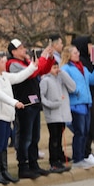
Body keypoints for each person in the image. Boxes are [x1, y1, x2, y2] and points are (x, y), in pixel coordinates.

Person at [0, 51, 39, 183]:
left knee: (3, 145)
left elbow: (19, 76)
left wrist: (32, 66)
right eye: (2, 62)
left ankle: (4, 171)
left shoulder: (4, 76)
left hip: (6, 117)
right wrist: (14, 102)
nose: (5, 63)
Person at [6, 39, 56, 178]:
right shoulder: (13, 64)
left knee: (35, 136)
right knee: (25, 137)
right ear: (13, 51)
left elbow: (42, 70)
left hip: (33, 103)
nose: (24, 50)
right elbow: (32, 73)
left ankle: (34, 164)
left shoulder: (26, 62)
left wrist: (49, 58)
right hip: (24, 104)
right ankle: (23, 165)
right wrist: (42, 57)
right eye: (20, 48)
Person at [62, 44, 94, 169]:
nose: (78, 54)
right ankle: (78, 158)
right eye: (75, 53)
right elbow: (66, 84)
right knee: (79, 132)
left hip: (86, 102)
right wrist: (75, 91)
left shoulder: (83, 68)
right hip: (75, 104)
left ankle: (83, 156)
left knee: (86, 131)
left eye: (78, 52)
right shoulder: (66, 68)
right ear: (69, 55)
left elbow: (92, 80)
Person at [39, 61, 74, 171]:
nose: (56, 69)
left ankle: (59, 158)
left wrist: (62, 73)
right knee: (54, 138)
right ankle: (53, 161)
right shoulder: (45, 80)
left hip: (61, 115)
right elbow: (42, 96)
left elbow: (72, 87)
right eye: (53, 67)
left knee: (59, 137)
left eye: (57, 67)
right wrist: (51, 105)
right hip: (52, 115)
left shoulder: (60, 79)